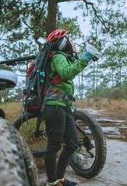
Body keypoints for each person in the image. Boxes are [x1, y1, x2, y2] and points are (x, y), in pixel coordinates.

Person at [43, 29, 101, 186]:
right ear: (63, 42)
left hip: (64, 106)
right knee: (54, 145)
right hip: (54, 106)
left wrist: (86, 57)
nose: (73, 43)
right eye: (70, 40)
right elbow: (67, 73)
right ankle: (51, 182)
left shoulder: (64, 57)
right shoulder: (58, 56)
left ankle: (59, 179)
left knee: (72, 143)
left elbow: (69, 70)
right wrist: (86, 57)